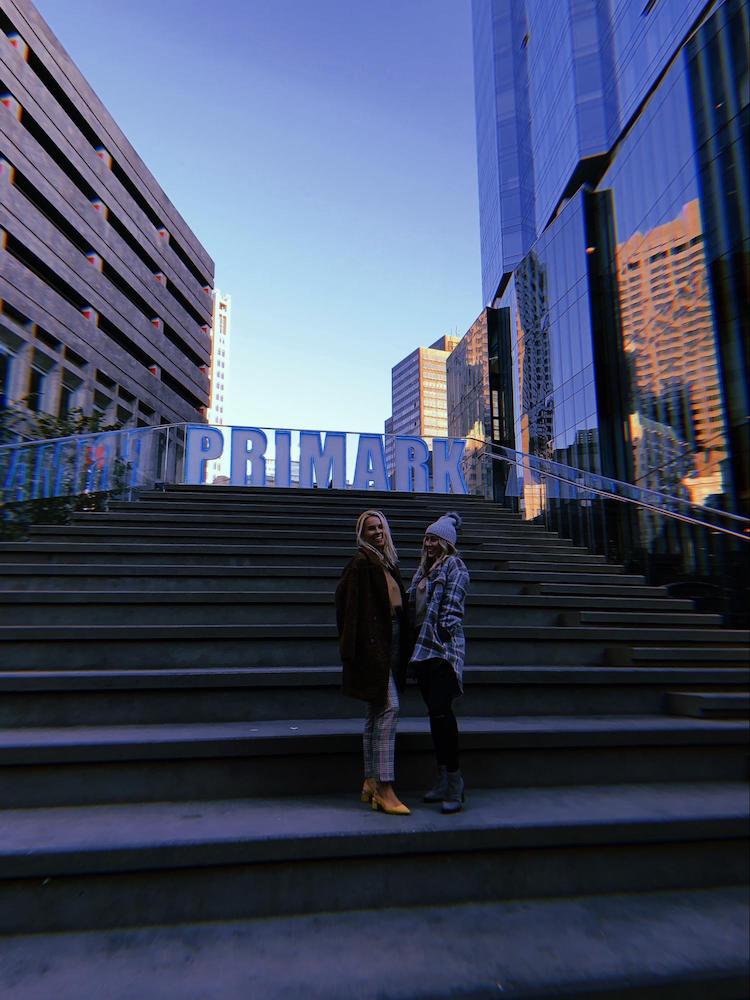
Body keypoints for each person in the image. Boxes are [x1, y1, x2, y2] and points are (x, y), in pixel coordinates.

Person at [335, 509, 412, 815]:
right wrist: (354, 651)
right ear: (361, 533)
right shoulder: (361, 564)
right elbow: (348, 609)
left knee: (375, 709)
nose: (377, 532)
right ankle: (384, 785)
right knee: (390, 706)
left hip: (390, 638)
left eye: (380, 527)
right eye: (370, 528)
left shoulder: (386, 562)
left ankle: (369, 780)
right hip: (373, 643)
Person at [408, 511, 470, 814]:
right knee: (435, 717)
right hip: (422, 649)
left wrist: (443, 632)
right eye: (426, 537)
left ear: (446, 542)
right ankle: (443, 778)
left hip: (442, 650)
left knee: (442, 714)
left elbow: (454, 605)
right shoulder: (422, 570)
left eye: (433, 538)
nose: (428, 542)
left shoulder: (454, 566)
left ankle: (455, 781)